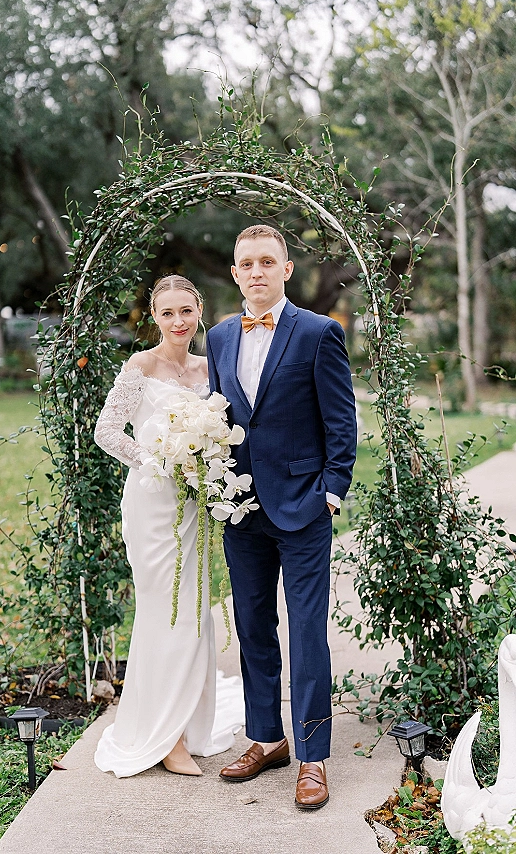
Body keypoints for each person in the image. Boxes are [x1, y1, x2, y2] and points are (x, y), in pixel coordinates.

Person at [206, 225, 358, 809]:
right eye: (246, 263)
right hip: (239, 509)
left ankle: (313, 756)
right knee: (252, 628)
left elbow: (341, 422)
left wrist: (332, 489)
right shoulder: (219, 336)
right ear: (235, 271)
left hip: (303, 507)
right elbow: (219, 419)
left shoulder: (319, 333)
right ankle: (266, 737)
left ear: (286, 269)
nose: (256, 272)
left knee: (307, 631)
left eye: (267, 262)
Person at [93, 274, 244, 778]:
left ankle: (186, 723)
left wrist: (207, 462)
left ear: (199, 311)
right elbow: (107, 431)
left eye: (186, 311)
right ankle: (166, 737)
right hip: (154, 503)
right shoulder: (141, 365)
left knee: (195, 611)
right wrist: (156, 461)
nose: (177, 322)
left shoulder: (210, 368)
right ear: (153, 318)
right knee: (163, 610)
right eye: (167, 313)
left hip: (195, 507)